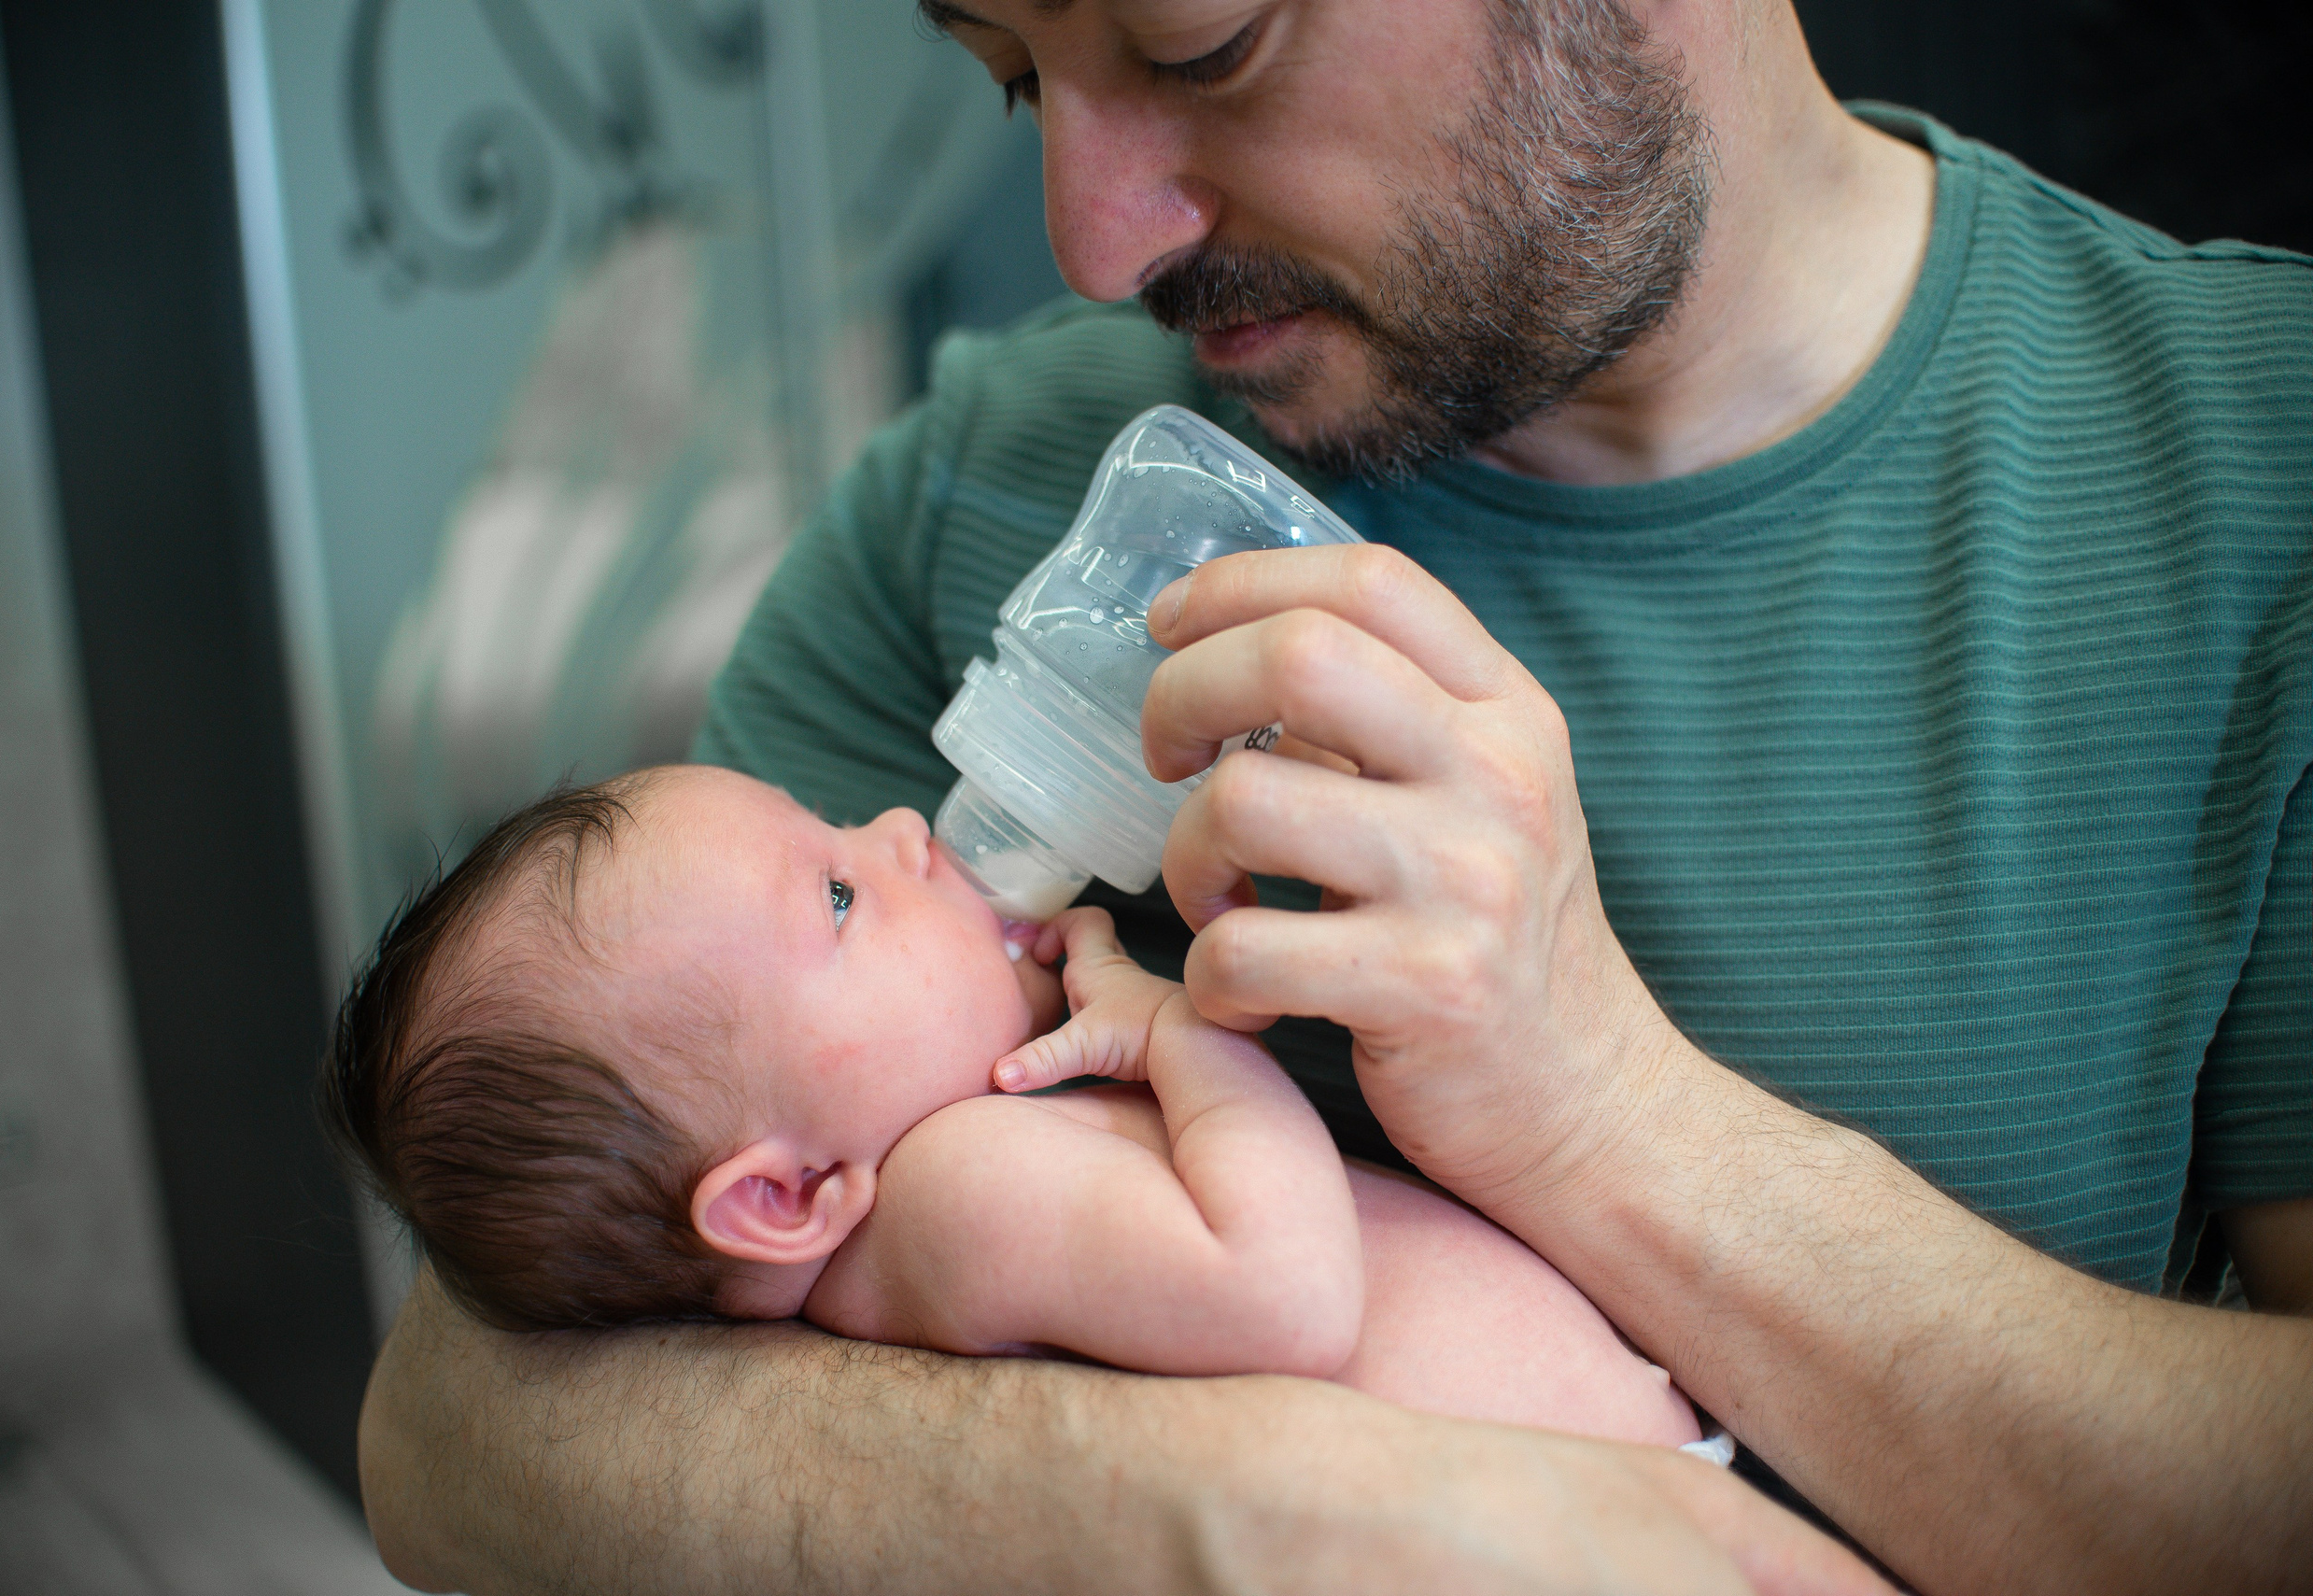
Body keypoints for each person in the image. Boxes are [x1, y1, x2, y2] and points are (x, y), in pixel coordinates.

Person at [357, 0, 2313, 1591]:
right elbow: (456, 1427)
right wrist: (1252, 1520)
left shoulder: (2255, 473)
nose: (1092, 235)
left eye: (1197, 43)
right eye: (1011, 76)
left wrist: (1603, 1108)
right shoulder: (976, 492)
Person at [326, 765, 1704, 1448]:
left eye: (838, 829)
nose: (899, 831)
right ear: (785, 1195)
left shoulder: (934, 1179)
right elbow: (1286, 1291)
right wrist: (1174, 1031)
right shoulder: (958, 1185)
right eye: (840, 895)